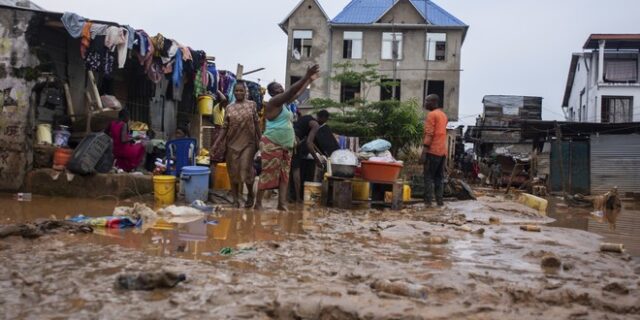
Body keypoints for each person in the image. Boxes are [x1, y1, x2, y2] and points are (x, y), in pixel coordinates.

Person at [254, 64, 321, 211]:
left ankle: (281, 204)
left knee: (284, 176)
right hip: (272, 143)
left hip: (286, 145)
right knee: (268, 175)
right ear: (272, 93)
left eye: (280, 87)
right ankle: (258, 204)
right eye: (277, 88)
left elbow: (296, 94)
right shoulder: (274, 103)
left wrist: (309, 80)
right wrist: (305, 75)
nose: (281, 89)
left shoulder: (284, 105)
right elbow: (292, 90)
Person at [211, 82, 260, 208]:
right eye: (236, 91)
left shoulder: (252, 105)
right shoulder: (229, 108)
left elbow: (257, 124)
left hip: (249, 143)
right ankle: (235, 200)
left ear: (245, 92)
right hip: (232, 143)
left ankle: (250, 194)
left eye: (241, 91)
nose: (239, 93)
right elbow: (224, 127)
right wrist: (216, 144)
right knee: (233, 173)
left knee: (245, 169)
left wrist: (260, 141)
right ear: (233, 92)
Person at [291, 109, 332, 202]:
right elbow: (309, 143)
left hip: (288, 138)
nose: (324, 123)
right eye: (326, 120)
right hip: (293, 142)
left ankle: (289, 197)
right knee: (296, 170)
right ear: (323, 118)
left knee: (288, 170)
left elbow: (311, 142)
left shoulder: (306, 118)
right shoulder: (316, 125)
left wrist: (321, 154)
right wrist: (317, 160)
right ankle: (298, 198)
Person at [420, 94, 448, 207]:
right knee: (439, 178)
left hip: (432, 151)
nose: (425, 103)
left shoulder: (432, 115)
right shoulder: (443, 115)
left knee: (428, 177)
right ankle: (440, 202)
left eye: (427, 101)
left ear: (433, 102)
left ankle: (428, 204)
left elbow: (429, 134)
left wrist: (424, 152)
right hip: (442, 152)